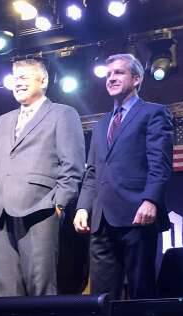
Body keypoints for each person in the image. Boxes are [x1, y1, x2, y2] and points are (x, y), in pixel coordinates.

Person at [0, 58, 85, 297]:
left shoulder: (63, 113)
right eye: (15, 79)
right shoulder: (2, 121)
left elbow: (73, 164)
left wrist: (58, 203)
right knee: (5, 291)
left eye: (24, 77)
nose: (18, 83)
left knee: (41, 288)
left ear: (44, 80)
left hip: (41, 209)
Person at [74, 53, 174, 299]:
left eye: (119, 73)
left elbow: (159, 163)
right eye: (108, 74)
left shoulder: (153, 113)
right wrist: (82, 207)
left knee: (141, 292)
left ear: (137, 79)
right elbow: (92, 171)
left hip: (137, 216)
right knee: (101, 297)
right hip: (101, 221)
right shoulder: (100, 124)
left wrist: (151, 200)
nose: (111, 78)